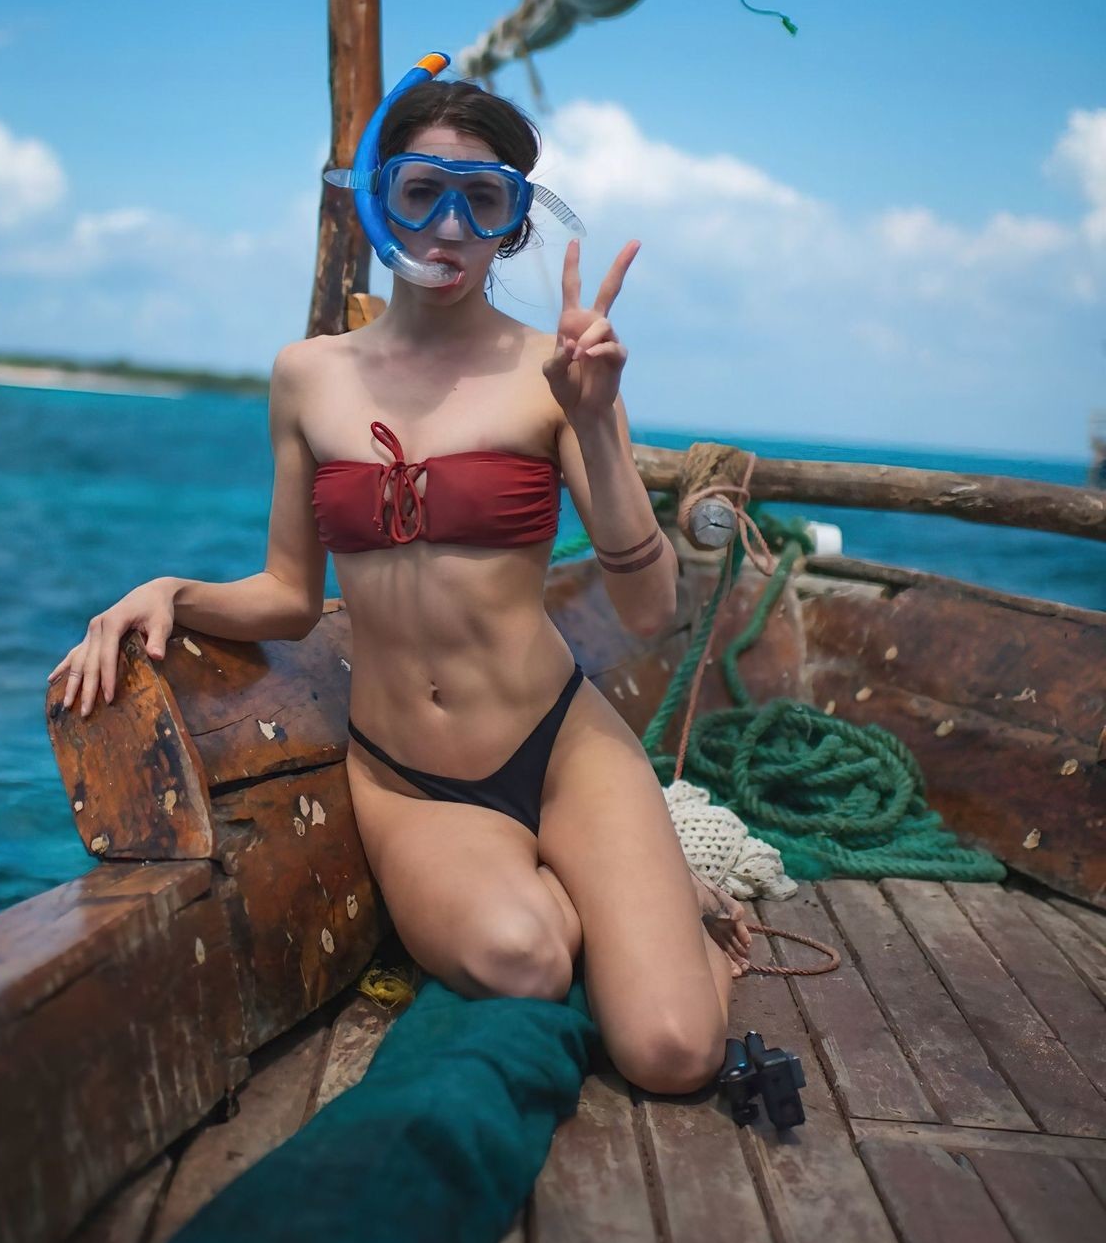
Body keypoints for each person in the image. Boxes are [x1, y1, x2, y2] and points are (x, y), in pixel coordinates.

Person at [50, 69, 750, 1098]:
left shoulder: (556, 373)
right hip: (412, 778)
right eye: (423, 192)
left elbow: (648, 613)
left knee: (676, 1056)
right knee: (523, 958)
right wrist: (171, 590)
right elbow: (290, 597)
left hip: (565, 747)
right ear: (380, 203)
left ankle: (688, 931)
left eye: (485, 200)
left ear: (513, 221)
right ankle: (611, 889)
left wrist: (597, 421)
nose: (451, 226)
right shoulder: (309, 375)